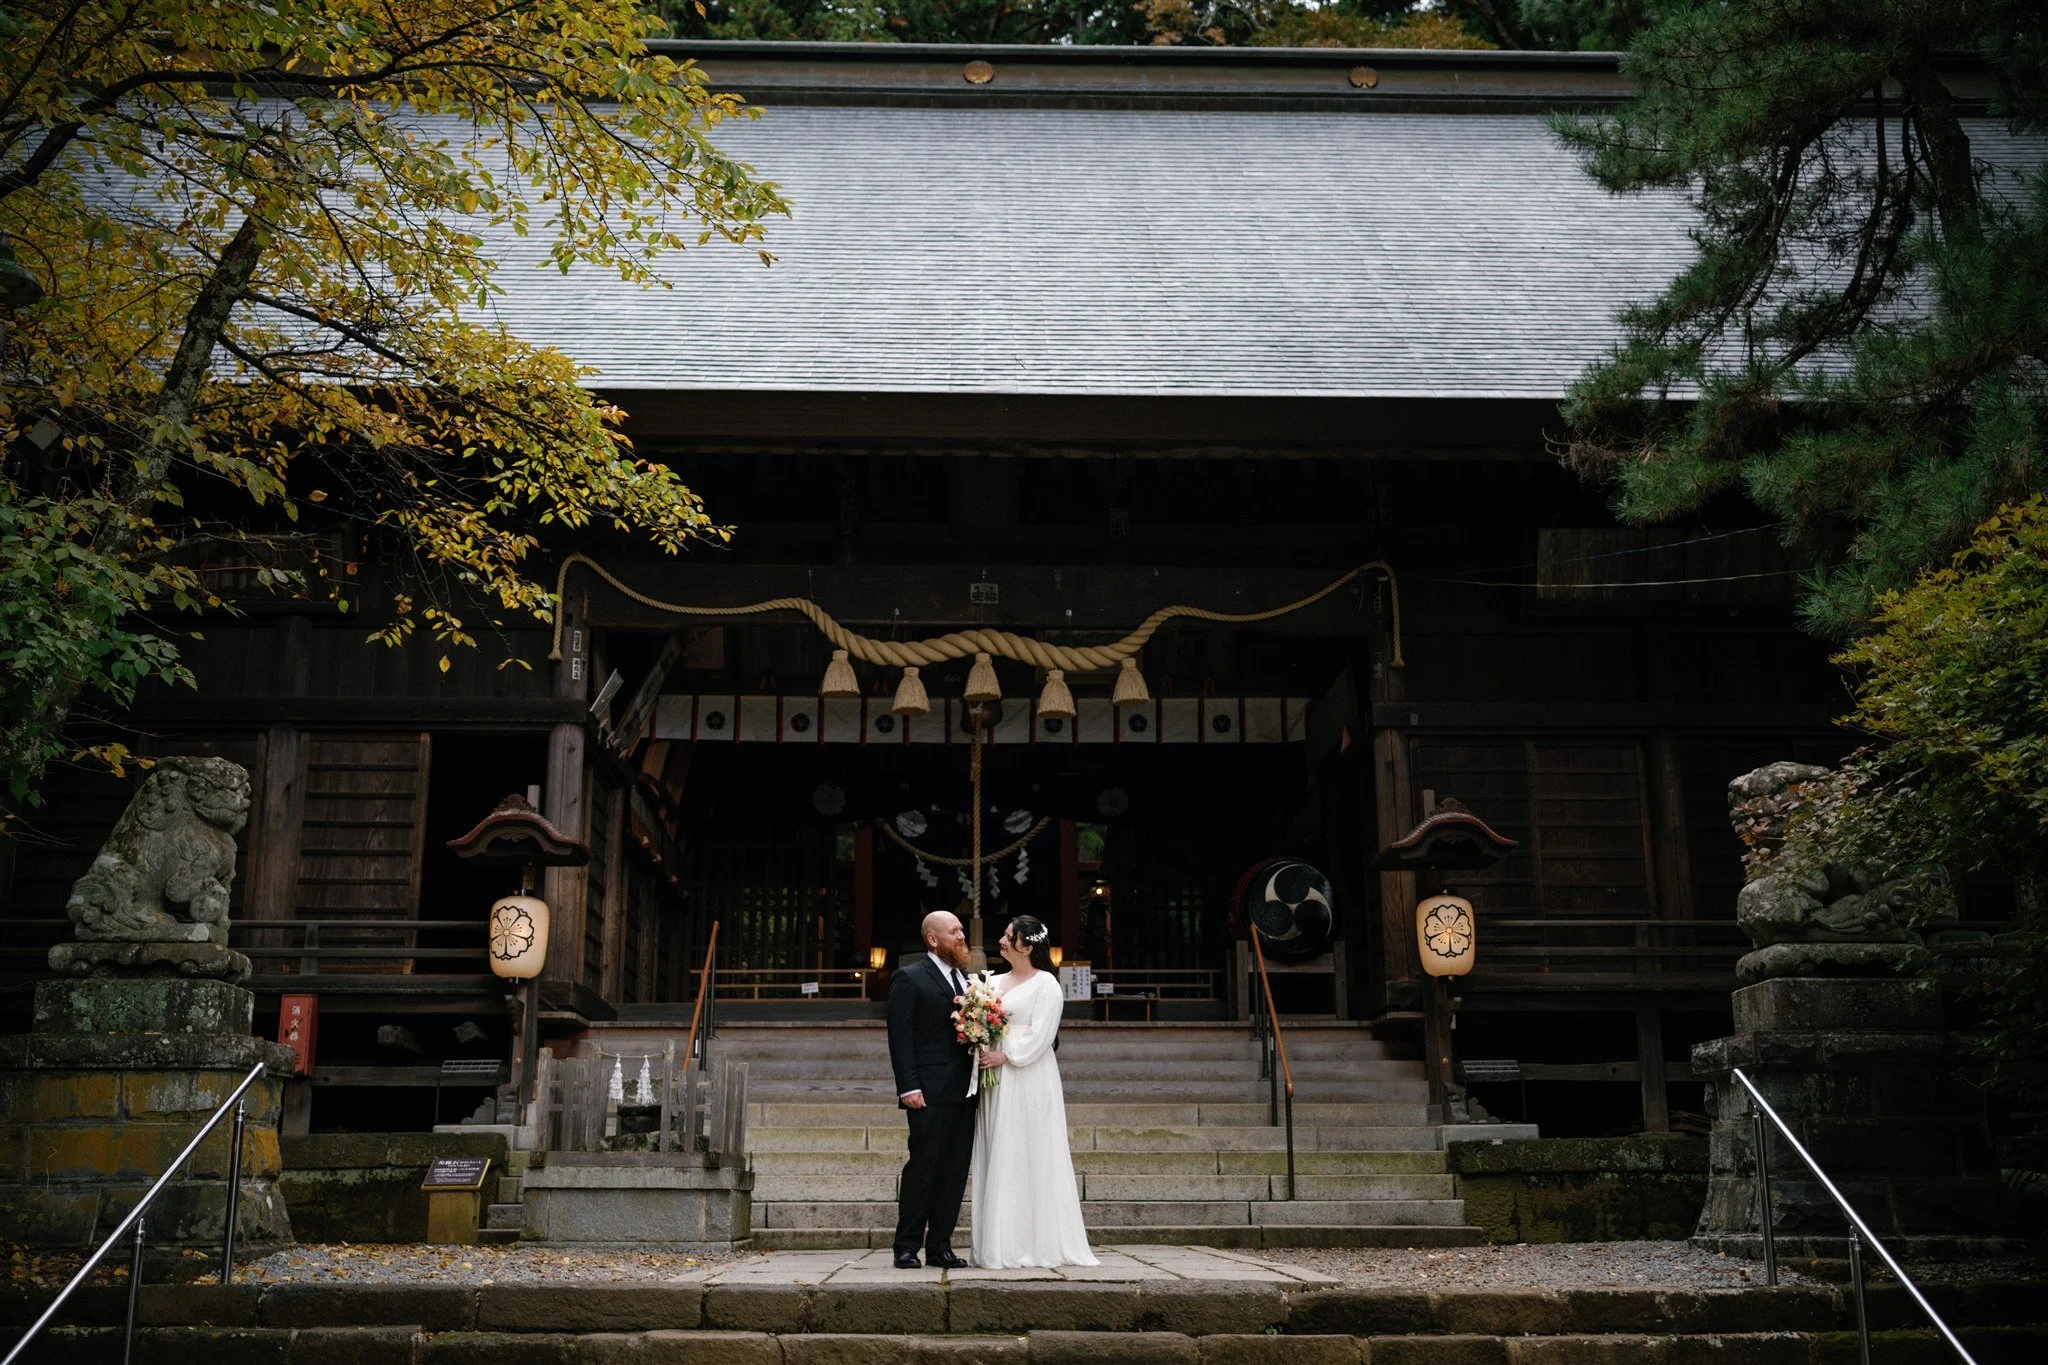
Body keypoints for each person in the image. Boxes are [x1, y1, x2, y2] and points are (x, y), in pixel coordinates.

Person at [969, 914, 1098, 1268]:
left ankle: (1034, 1242)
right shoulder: (990, 982)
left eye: (1008, 936)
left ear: (1026, 946)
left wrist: (1006, 1054)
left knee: (1029, 1148)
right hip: (994, 1077)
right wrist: (980, 1043)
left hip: (1028, 1075)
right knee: (1000, 1147)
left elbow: (1043, 1035)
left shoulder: (1047, 986)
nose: (1001, 940)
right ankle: (998, 1243)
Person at [887, 909, 977, 1269]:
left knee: (955, 1170)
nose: (961, 937)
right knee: (923, 1167)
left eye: (962, 931)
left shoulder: (967, 981)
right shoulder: (909, 979)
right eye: (954, 931)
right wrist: (908, 1086)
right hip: (927, 1092)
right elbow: (900, 1037)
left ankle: (940, 1245)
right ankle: (906, 1246)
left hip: (965, 1093)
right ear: (932, 939)